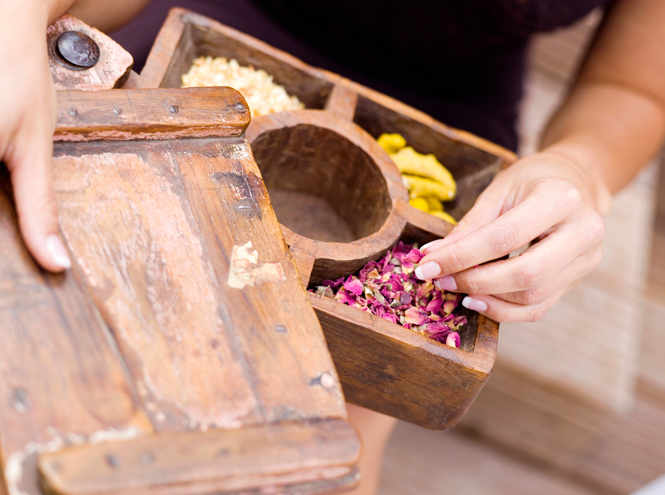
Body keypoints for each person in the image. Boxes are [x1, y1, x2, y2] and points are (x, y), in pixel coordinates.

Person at [2, 1, 664, 494]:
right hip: (218, 26)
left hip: (436, 111)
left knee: (304, 450)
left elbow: (634, 88)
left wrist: (580, 170)